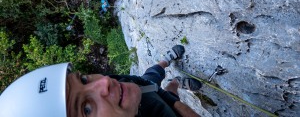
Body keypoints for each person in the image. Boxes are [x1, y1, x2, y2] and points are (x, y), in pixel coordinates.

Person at [0, 45, 202, 117]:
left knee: (151, 78)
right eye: (86, 109)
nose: (104, 82)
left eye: (84, 79)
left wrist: (167, 97)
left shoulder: (117, 92)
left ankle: (166, 63)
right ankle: (175, 83)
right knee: (165, 91)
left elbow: (132, 82)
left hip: (144, 91)